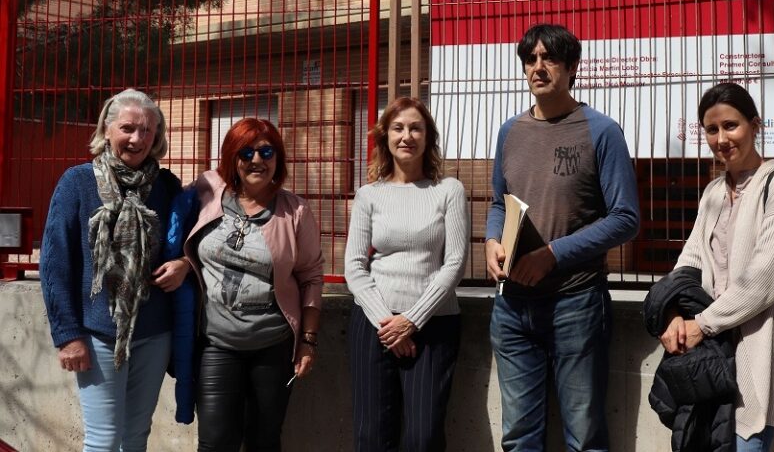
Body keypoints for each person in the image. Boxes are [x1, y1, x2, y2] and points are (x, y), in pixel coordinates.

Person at [484, 24, 640, 451]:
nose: (538, 67)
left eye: (549, 58)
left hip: (576, 303)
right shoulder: (509, 131)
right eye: (530, 59)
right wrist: (491, 241)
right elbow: (499, 202)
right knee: (518, 438)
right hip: (512, 308)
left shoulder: (601, 130)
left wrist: (553, 254)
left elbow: (626, 218)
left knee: (585, 437)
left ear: (572, 67)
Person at [657, 82, 774, 452]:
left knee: (747, 440)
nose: (721, 138)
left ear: (755, 125)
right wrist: (676, 312)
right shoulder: (713, 191)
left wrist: (704, 323)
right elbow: (691, 259)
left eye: (731, 125)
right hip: (705, 354)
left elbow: (768, 277)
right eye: (711, 130)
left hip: (755, 344)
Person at [39, 89, 185, 452]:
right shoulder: (77, 182)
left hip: (154, 333)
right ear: (107, 129)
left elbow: (189, 244)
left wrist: (185, 264)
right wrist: (67, 335)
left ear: (157, 136)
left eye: (147, 130)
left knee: (136, 437)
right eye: (128, 128)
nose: (137, 139)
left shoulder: (166, 186)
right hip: (99, 333)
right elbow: (55, 264)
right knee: (103, 440)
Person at [179, 117, 325, 451]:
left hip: (272, 345)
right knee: (215, 442)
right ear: (232, 157)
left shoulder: (296, 211)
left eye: (266, 151)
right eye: (246, 152)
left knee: (263, 441)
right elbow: (176, 228)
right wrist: (180, 262)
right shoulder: (207, 191)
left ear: (278, 159)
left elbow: (312, 277)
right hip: (217, 343)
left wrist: (308, 341)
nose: (257, 160)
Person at [344, 97, 469, 452]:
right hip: (374, 326)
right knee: (371, 437)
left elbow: (455, 263)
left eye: (416, 128)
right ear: (385, 137)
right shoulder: (370, 195)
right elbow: (353, 266)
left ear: (428, 137)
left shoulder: (448, 190)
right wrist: (389, 323)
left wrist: (411, 321)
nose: (407, 136)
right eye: (398, 128)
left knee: (423, 437)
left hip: (433, 326)